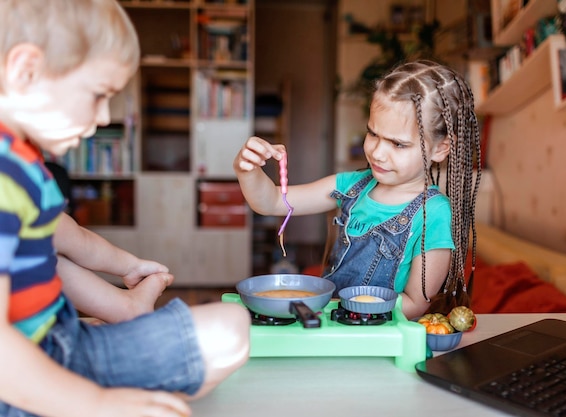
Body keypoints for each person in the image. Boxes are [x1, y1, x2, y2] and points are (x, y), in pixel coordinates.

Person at [0, 1, 251, 417]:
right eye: (99, 95)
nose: (103, 117)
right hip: (26, 378)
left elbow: (69, 238)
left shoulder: (24, 164)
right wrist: (98, 404)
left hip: (59, 341)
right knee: (229, 331)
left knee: (231, 324)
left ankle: (124, 312)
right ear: (26, 70)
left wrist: (129, 266)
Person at [234, 60, 481, 320]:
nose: (377, 152)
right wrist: (247, 170)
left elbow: (415, 304)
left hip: (373, 335)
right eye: (373, 134)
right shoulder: (352, 186)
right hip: (329, 324)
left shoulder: (434, 213)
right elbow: (271, 202)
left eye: (398, 144)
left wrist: (349, 308)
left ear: (441, 149)